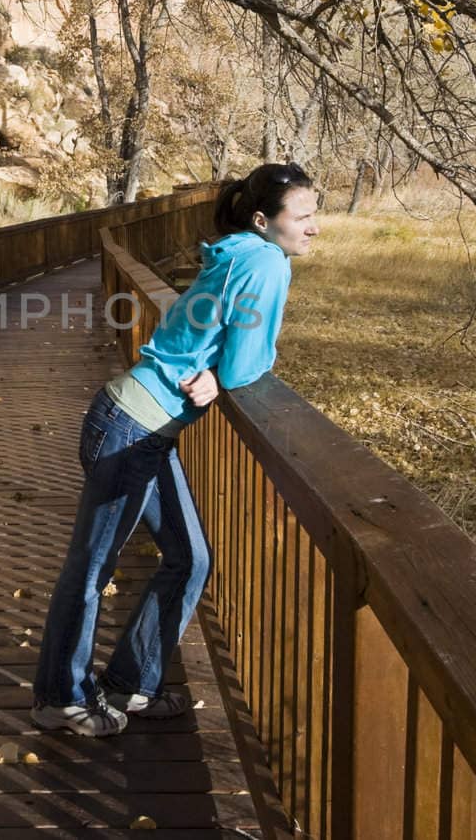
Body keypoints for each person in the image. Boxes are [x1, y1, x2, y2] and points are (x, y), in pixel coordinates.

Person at [29, 163, 320, 737]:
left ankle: (131, 686)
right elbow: (245, 363)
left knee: (190, 559)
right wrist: (226, 372)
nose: (314, 228)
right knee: (90, 570)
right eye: (303, 217)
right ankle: (60, 698)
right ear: (264, 221)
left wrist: (215, 369)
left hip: (135, 425)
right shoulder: (266, 259)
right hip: (132, 431)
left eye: (316, 215)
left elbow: (212, 346)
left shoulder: (236, 249)